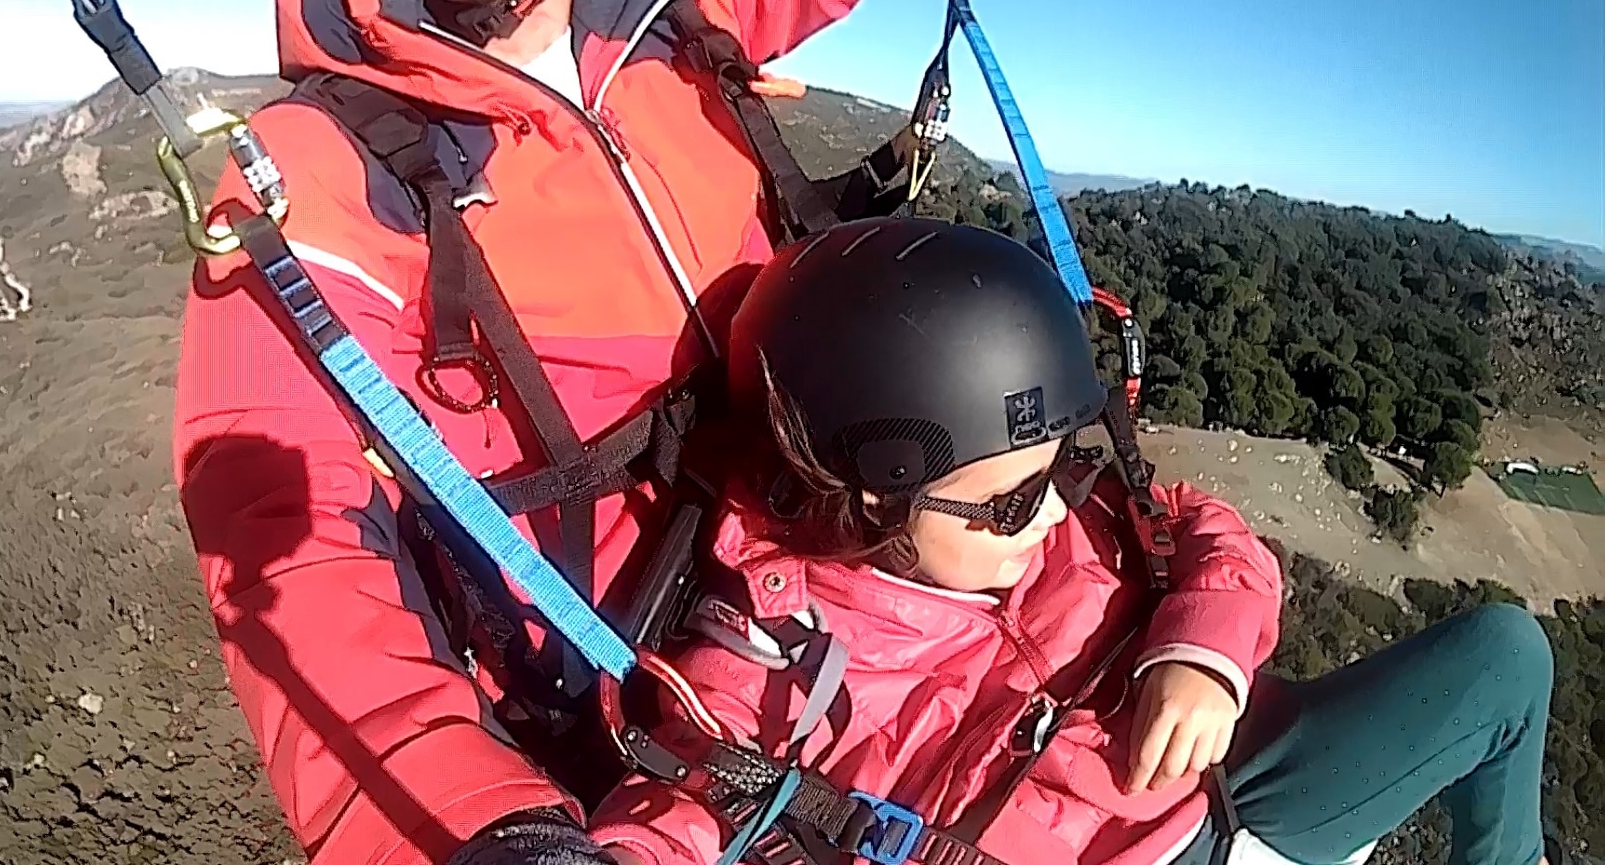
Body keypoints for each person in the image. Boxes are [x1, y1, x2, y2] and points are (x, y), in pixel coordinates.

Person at [170, 0, 937, 865]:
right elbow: (282, 533)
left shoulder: (679, 2)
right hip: (640, 724)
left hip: (857, 602)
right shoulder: (319, 166)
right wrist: (483, 825)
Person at [589, 217, 1591, 865]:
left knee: (1502, 658)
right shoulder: (775, 646)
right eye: (1010, 504)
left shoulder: (1037, 487)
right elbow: (681, 798)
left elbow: (1198, 521)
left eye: (1055, 473)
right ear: (865, 503)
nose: (1061, 513)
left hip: (1237, 780)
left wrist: (1201, 646)